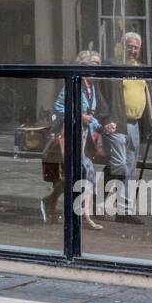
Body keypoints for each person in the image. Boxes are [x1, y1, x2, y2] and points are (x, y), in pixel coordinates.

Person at [41, 50, 107, 230]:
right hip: (70, 138)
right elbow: (59, 107)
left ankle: (85, 215)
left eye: (99, 64)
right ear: (84, 66)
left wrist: (102, 127)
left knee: (88, 175)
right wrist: (79, 116)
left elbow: (90, 117)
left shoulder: (92, 88)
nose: (98, 68)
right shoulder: (73, 84)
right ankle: (51, 200)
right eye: (95, 64)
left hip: (84, 141)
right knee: (70, 177)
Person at [102, 32, 152, 221]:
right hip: (117, 122)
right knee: (119, 166)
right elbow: (105, 96)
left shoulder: (140, 69)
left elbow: (147, 95)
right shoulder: (114, 68)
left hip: (134, 125)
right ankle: (101, 197)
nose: (133, 50)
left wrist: (151, 120)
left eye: (136, 47)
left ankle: (124, 211)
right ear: (122, 46)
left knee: (130, 167)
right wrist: (106, 119)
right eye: (129, 46)